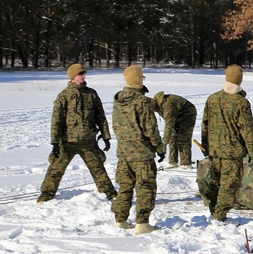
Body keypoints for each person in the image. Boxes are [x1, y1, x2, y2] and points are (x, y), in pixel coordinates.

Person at [37, 63, 117, 203]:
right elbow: (56, 120)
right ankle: (46, 194)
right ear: (73, 76)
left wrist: (105, 136)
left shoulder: (91, 94)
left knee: (98, 168)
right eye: (81, 74)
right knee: (56, 169)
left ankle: (109, 193)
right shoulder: (64, 96)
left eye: (84, 73)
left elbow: (100, 116)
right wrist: (55, 142)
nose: (84, 76)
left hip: (88, 140)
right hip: (67, 141)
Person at [111, 65, 166, 234]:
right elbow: (150, 128)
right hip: (142, 153)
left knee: (125, 186)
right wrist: (159, 147)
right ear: (138, 80)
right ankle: (142, 223)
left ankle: (120, 219)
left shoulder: (118, 100)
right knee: (145, 186)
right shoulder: (142, 101)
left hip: (124, 152)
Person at [201, 64, 253, 223]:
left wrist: (206, 146)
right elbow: (247, 130)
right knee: (229, 186)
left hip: (215, 151)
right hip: (233, 153)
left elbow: (205, 123)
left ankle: (214, 213)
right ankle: (219, 217)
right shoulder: (241, 103)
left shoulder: (213, 98)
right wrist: (252, 151)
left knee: (216, 183)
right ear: (240, 80)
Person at [153, 91, 197, 168]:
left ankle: (186, 163)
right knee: (172, 137)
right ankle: (173, 162)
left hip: (188, 114)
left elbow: (169, 125)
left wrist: (164, 143)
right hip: (176, 116)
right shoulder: (159, 105)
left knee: (183, 137)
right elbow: (169, 124)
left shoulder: (167, 106)